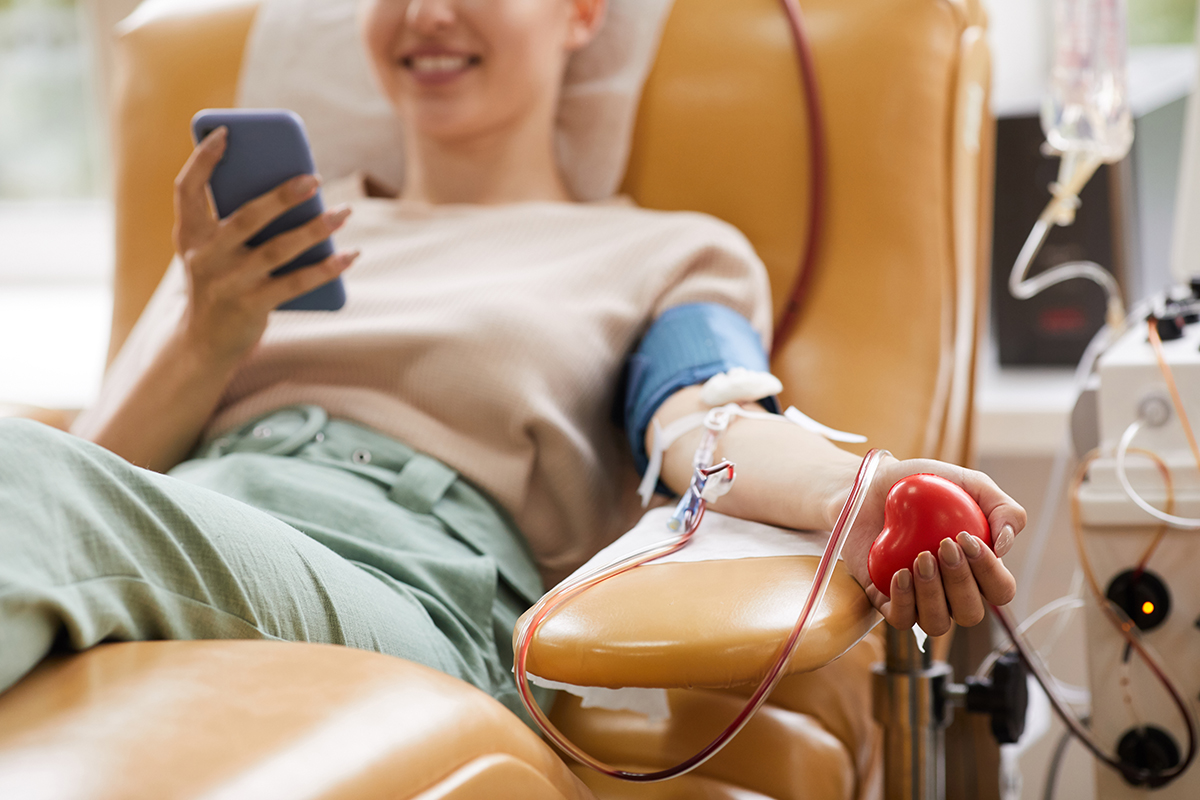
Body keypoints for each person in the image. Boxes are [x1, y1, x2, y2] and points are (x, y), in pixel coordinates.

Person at [0, 0, 1023, 725]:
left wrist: (862, 491)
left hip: (400, 581)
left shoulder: (662, 250)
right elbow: (88, 488)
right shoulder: (254, 242)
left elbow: (704, 418)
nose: (428, 12)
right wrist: (204, 335)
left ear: (580, 11)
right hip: (176, 534)